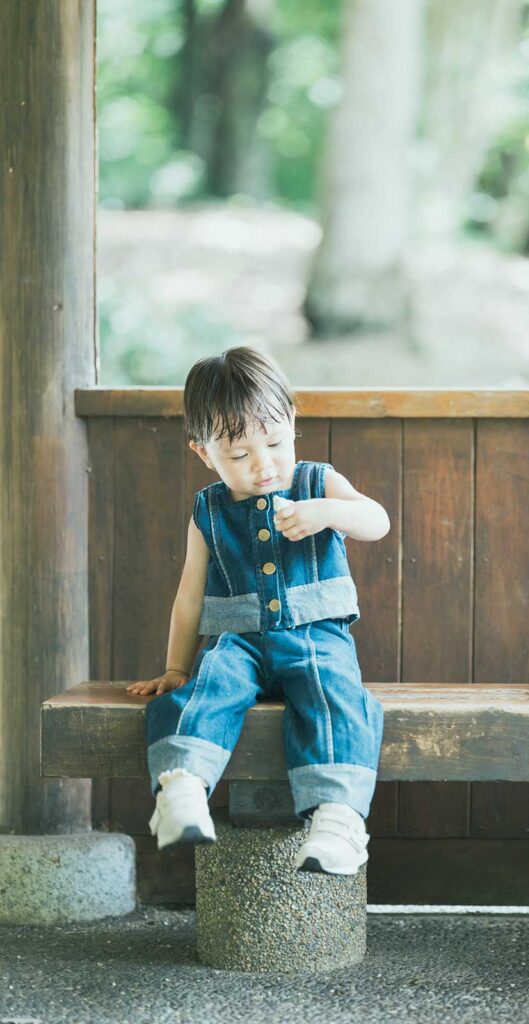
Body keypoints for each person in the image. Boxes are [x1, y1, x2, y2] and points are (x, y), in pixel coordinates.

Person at [126, 346, 388, 875]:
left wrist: (328, 513)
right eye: (239, 455)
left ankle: (337, 820)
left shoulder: (317, 482)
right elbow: (189, 596)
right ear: (204, 454)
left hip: (318, 640)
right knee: (204, 686)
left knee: (337, 697)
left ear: (291, 422)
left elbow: (376, 520)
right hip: (237, 643)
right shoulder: (209, 511)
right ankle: (181, 790)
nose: (263, 464)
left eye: (273, 442)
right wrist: (176, 666)